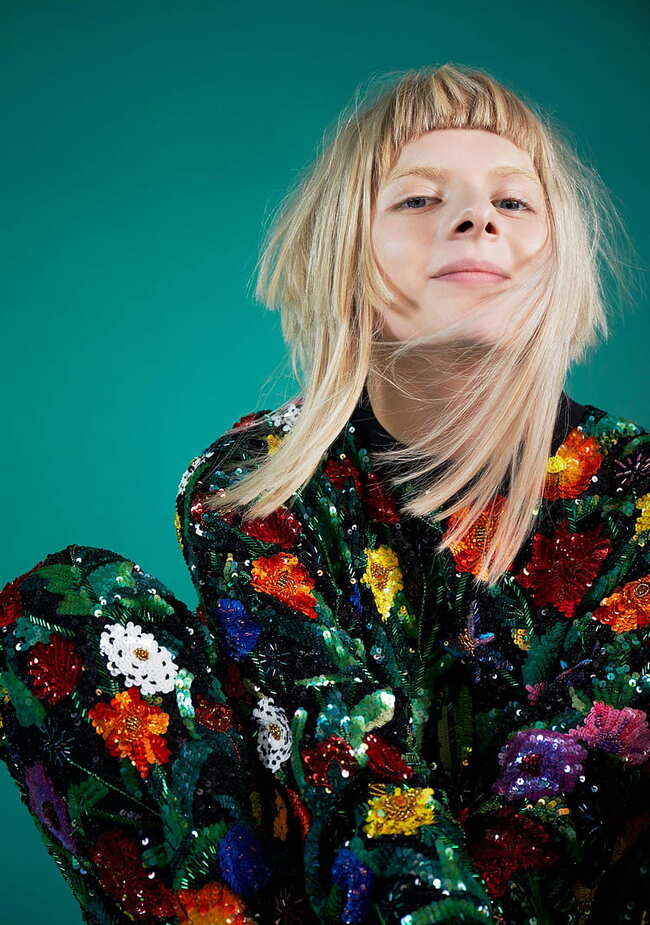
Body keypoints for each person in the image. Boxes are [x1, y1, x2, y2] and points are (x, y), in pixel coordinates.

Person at [1, 62, 649, 925]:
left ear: (558, 261)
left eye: (513, 200)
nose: (477, 217)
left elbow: (564, 812)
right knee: (60, 610)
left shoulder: (634, 491)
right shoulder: (255, 484)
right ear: (346, 257)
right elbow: (343, 769)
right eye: (419, 198)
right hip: (325, 885)